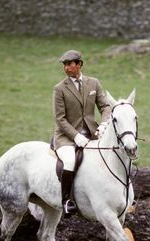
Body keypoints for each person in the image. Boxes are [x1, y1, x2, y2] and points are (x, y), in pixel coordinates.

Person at [53, 49, 111, 217]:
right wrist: (76, 136)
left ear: (79, 64)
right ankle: (66, 201)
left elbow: (105, 107)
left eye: (69, 64)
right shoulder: (59, 89)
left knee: (114, 154)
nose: (66, 68)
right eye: (64, 64)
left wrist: (105, 124)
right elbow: (60, 119)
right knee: (70, 161)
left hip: (93, 134)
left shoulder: (94, 83)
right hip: (67, 137)